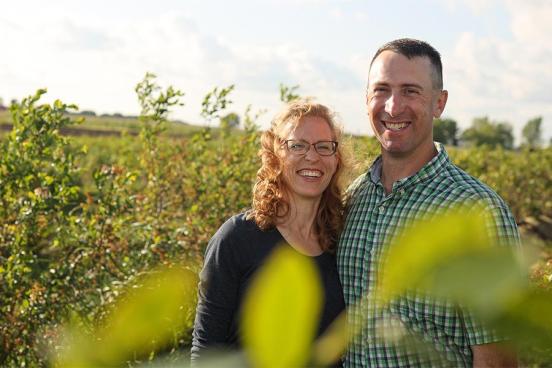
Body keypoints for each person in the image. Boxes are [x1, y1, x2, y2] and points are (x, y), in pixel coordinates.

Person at [337, 38, 520, 367]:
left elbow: (499, 359)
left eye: (410, 91)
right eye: (381, 89)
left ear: (439, 103)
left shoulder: (477, 213)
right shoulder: (352, 198)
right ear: (366, 100)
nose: (393, 107)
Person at [191, 99, 349, 365]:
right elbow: (206, 350)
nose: (312, 156)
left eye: (324, 146)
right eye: (297, 145)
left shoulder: (341, 243)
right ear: (275, 154)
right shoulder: (238, 238)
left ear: (336, 159)